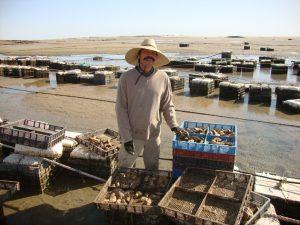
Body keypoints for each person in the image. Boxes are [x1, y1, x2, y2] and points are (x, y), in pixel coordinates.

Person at [115, 38, 181, 170]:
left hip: (153, 135)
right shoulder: (126, 78)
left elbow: (167, 105)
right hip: (132, 135)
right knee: (124, 168)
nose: (149, 56)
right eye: (146, 52)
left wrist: (174, 125)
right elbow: (120, 109)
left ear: (156, 57)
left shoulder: (163, 78)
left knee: (152, 169)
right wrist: (126, 138)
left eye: (153, 53)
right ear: (139, 55)